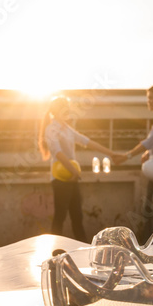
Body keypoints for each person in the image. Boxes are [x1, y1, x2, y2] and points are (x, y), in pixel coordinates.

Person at [39, 95, 116, 241]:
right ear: (57, 110)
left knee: (77, 216)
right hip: (60, 179)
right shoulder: (51, 129)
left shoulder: (67, 129)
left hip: (72, 177)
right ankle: (54, 253)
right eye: (65, 108)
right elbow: (57, 153)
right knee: (60, 217)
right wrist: (73, 170)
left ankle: (83, 251)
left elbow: (87, 141)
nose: (68, 110)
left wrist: (111, 154)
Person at [112, 84, 153, 239]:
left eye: (151, 98)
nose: (148, 101)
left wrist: (126, 156)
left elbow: (150, 141)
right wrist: (148, 152)